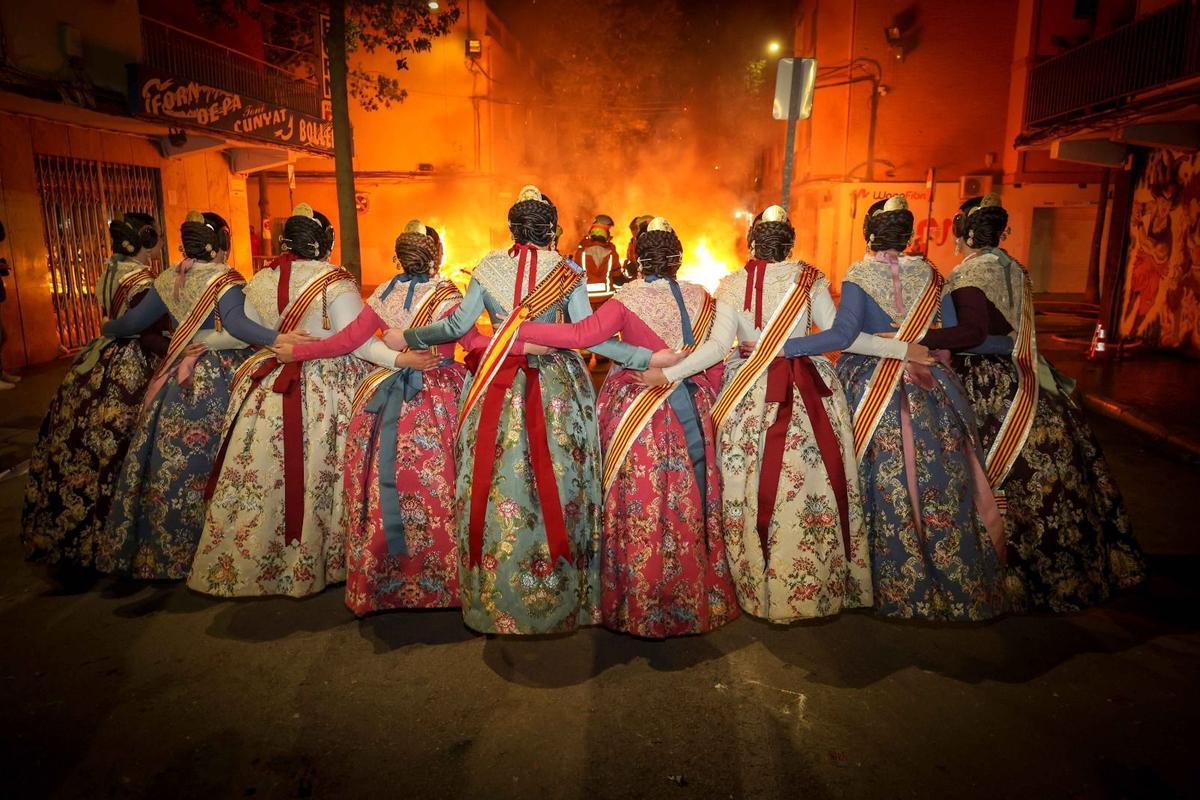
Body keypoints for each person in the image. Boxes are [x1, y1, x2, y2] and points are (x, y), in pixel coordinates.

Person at [402, 185, 678, 635]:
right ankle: (562, 595)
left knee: (492, 481)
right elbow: (588, 335)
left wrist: (408, 338)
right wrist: (644, 357)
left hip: (495, 381)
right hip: (557, 388)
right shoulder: (566, 271)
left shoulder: (487, 267)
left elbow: (456, 326)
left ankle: (496, 593)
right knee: (563, 476)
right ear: (551, 228)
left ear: (512, 227)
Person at [639, 206, 925, 623]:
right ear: (791, 241)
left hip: (749, 394)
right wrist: (901, 348)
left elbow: (716, 349)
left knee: (748, 483)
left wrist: (668, 374)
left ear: (752, 241)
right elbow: (843, 337)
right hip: (811, 391)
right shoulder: (809, 278)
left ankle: (755, 582)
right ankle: (817, 583)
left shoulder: (732, 284)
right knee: (815, 483)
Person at [780, 196, 1007, 622]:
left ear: (869, 232)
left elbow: (843, 336)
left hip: (872, 385)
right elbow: (948, 336)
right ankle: (955, 580)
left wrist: (785, 346)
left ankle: (885, 581)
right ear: (908, 235)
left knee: (870, 476)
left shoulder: (859, 275)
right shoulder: (932, 274)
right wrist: (920, 350)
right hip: (931, 384)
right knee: (943, 477)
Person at [920, 193, 1144, 612]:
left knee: (985, 472)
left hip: (987, 383)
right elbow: (1010, 333)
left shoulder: (970, 274)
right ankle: (1063, 569)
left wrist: (919, 336)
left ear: (963, 232)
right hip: (1027, 377)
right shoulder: (1012, 267)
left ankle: (997, 572)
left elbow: (972, 333)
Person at [516, 217, 738, 638]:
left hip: (636, 408)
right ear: (677, 259)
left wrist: (521, 327)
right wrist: (705, 391)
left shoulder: (626, 299)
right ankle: (692, 595)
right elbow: (715, 357)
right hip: (691, 405)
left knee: (638, 498)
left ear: (637, 258)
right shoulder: (704, 298)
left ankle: (636, 596)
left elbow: (583, 334)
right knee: (692, 496)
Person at [94, 211, 310, 580]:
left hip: (178, 377)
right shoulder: (224, 279)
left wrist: (106, 327)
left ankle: (163, 548)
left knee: (170, 460)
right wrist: (276, 338)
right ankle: (215, 544)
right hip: (218, 375)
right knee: (225, 456)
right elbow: (238, 326)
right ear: (220, 244)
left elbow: (133, 322)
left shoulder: (168, 278)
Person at [189, 203, 387, 599]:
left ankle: (255, 557)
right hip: (326, 387)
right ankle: (323, 556)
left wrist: (203, 340)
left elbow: (244, 330)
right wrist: (398, 360)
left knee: (262, 470)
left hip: (268, 386)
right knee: (322, 469)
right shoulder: (335, 281)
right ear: (324, 242)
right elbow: (358, 343)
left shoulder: (262, 278)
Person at [271, 220, 466, 614]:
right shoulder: (449, 296)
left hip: (386, 398)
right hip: (443, 396)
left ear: (398, 258)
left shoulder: (384, 294)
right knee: (448, 481)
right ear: (436, 255)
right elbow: (472, 340)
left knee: (381, 483)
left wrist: (297, 352)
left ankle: (385, 579)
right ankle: (447, 578)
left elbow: (345, 342)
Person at [22, 213, 168, 571]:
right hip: (133, 362)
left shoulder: (111, 270)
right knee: (131, 441)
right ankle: (121, 532)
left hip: (100, 358)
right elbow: (141, 329)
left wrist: (107, 328)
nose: (162, 241)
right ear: (148, 239)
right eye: (158, 235)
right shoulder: (143, 281)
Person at [575, 214, 621, 296]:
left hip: (586, 298)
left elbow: (575, 276)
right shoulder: (611, 253)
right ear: (606, 235)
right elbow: (617, 279)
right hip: (606, 297)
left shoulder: (580, 253)